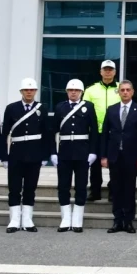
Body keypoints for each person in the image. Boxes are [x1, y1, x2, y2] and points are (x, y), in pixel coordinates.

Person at [0, 78, 48, 233]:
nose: (29, 92)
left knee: (30, 187)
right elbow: (4, 133)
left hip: (35, 153)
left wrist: (45, 155)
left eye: (32, 90)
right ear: (21, 91)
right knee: (14, 187)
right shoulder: (11, 108)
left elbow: (47, 134)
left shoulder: (42, 108)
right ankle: (14, 220)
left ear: (35, 91)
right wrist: (4, 156)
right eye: (26, 90)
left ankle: (27, 219)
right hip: (16, 153)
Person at [50, 79, 98, 233]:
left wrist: (93, 152)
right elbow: (52, 131)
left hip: (82, 152)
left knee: (81, 186)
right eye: (71, 90)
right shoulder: (60, 107)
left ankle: (77, 219)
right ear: (67, 92)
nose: (73, 92)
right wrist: (53, 152)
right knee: (63, 186)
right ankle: (65, 218)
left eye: (76, 90)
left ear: (81, 92)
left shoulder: (88, 106)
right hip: (64, 152)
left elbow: (94, 131)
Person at [102, 80, 137, 233]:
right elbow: (105, 134)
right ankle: (117, 221)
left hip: (131, 157)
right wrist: (104, 156)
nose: (125, 92)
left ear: (133, 92)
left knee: (129, 189)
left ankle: (128, 221)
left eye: (128, 90)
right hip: (114, 156)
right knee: (116, 189)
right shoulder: (112, 109)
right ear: (119, 92)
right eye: (122, 90)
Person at [82, 60, 120, 202]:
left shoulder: (121, 88)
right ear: (100, 72)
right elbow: (84, 111)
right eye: (105, 69)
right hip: (96, 132)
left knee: (114, 163)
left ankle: (113, 190)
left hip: (115, 131)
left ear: (115, 72)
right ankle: (95, 190)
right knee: (95, 162)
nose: (108, 72)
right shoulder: (91, 90)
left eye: (110, 69)